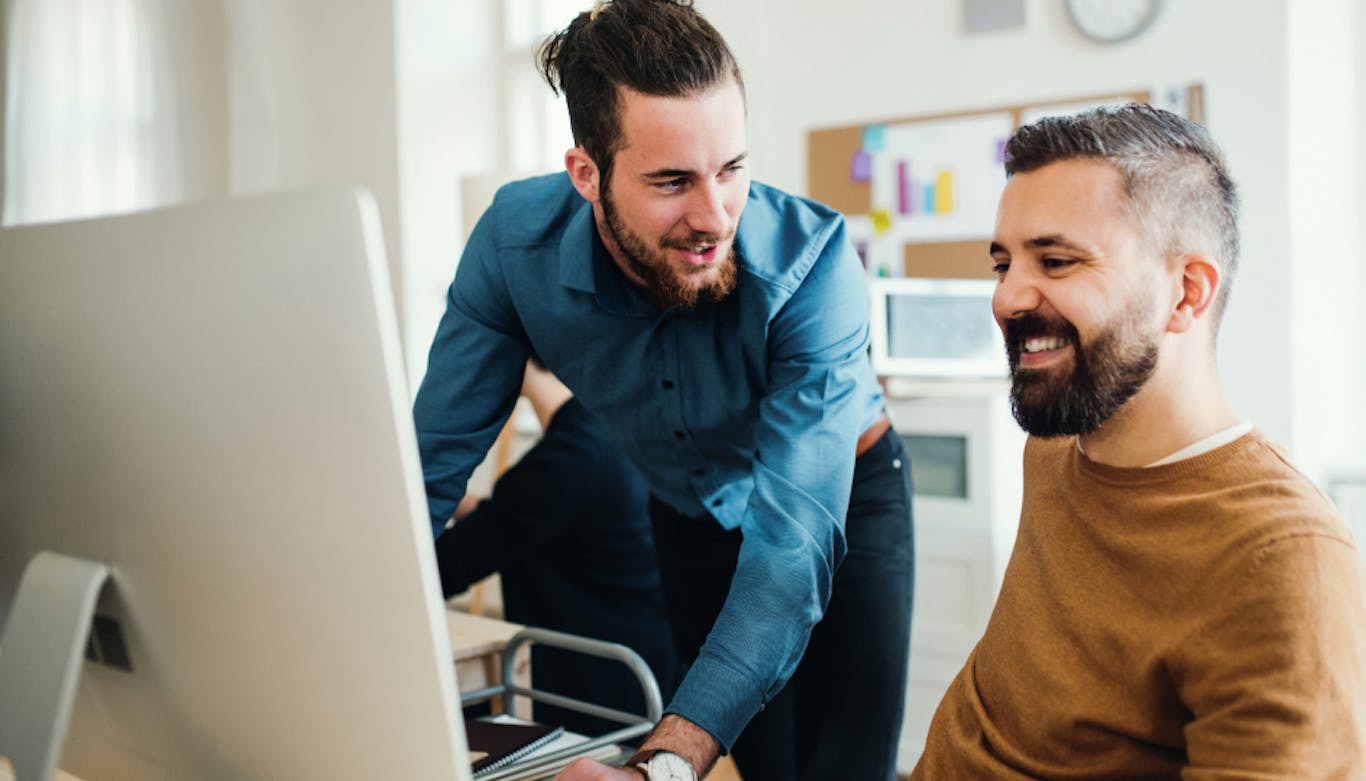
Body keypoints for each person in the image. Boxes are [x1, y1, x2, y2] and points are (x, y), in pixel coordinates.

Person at [413, 1, 914, 778]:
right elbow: (429, 467)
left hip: (840, 498)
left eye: (732, 169)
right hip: (686, 510)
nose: (713, 216)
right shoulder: (515, 249)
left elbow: (788, 553)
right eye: (673, 180)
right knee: (768, 764)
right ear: (586, 174)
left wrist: (666, 765)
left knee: (844, 766)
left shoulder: (813, 265)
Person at [911, 104, 1366, 778]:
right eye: (1003, 263)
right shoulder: (1057, 444)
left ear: (1185, 293)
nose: (1007, 297)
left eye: (1056, 260)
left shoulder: (1284, 564)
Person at [433, 357, 679, 737]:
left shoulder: (571, 458)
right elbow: (522, 519)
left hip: (597, 699)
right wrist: (459, 503)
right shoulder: (610, 435)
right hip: (645, 675)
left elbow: (446, 566)